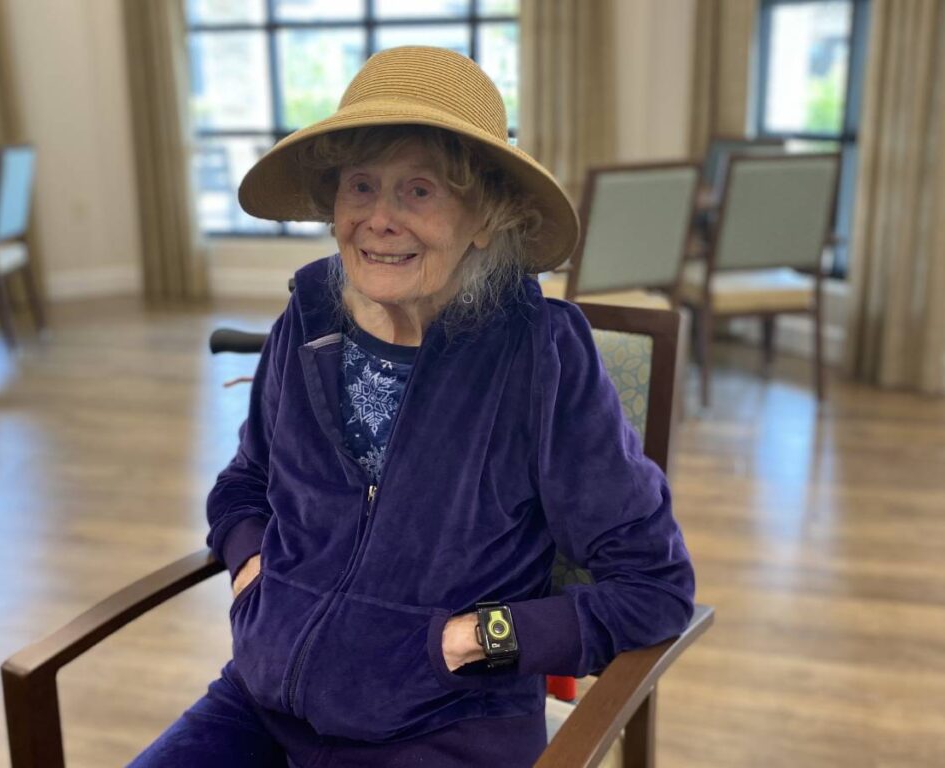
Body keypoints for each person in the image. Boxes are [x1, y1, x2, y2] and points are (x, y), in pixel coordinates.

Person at [131, 46, 694, 768]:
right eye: (360, 187)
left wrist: (470, 640)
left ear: (485, 217)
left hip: (444, 727)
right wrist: (252, 574)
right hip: (263, 704)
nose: (379, 220)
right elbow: (244, 485)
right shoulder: (306, 321)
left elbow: (654, 587)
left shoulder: (540, 357)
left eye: (419, 191)